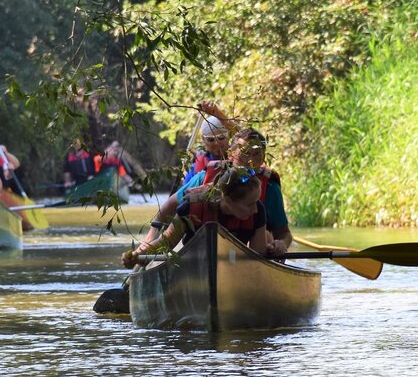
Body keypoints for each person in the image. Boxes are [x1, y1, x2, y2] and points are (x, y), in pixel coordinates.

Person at [140, 127, 292, 258]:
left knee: (267, 235)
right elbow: (168, 209)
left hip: (245, 255)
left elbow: (284, 233)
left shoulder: (270, 188)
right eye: (245, 153)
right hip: (201, 253)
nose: (250, 161)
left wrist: (282, 244)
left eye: (257, 154)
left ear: (264, 156)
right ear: (231, 154)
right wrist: (149, 240)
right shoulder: (204, 179)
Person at [122, 166, 266, 268]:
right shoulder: (191, 208)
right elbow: (166, 242)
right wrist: (137, 255)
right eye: (249, 204)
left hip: (235, 270)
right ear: (227, 200)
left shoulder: (258, 210)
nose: (255, 209)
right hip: (193, 269)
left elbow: (258, 258)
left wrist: (275, 248)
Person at [182, 100, 238, 184]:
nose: (217, 143)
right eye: (210, 139)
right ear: (203, 139)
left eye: (221, 137)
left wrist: (217, 112)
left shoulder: (240, 158)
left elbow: (248, 137)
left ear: (228, 136)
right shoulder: (195, 168)